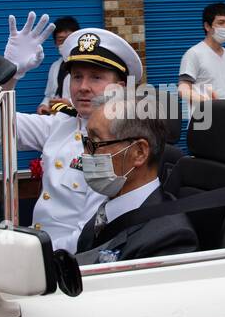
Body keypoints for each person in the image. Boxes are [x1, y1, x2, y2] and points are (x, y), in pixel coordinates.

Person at [0, 14, 145, 252]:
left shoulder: (120, 145)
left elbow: (87, 235)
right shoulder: (61, 124)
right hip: (41, 249)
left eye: (96, 77)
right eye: (77, 76)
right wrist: (10, 75)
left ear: (120, 88)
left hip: (69, 265)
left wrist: (30, 255)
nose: (83, 87)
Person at [73, 89, 198, 265]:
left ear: (139, 152)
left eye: (95, 143)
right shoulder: (105, 214)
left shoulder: (168, 237)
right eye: (86, 142)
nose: (85, 153)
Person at [178, 2, 225, 102]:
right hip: (203, 115)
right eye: (221, 23)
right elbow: (183, 89)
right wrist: (206, 102)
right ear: (207, 26)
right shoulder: (194, 53)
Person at [38, 16, 80, 113]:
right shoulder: (55, 66)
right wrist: (43, 105)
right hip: (55, 118)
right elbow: (49, 95)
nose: (66, 43)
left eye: (69, 39)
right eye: (61, 40)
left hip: (77, 119)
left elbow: (95, 98)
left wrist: (70, 103)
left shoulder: (87, 65)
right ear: (55, 43)